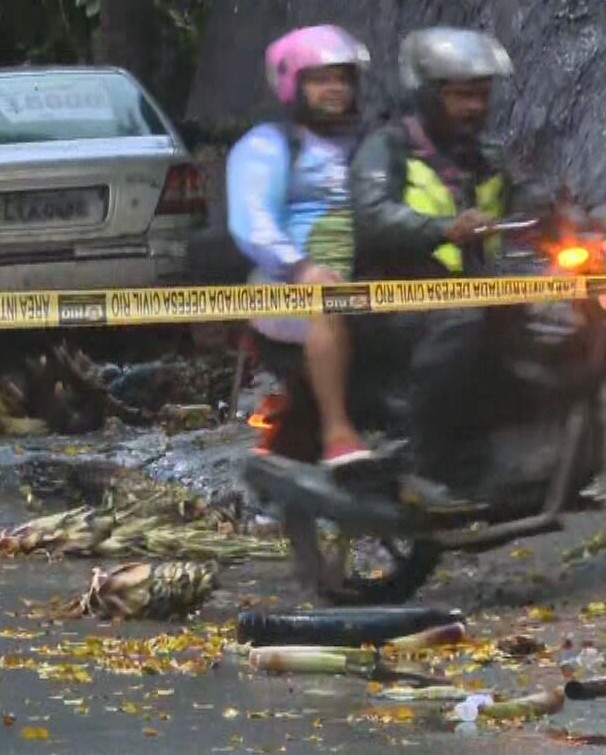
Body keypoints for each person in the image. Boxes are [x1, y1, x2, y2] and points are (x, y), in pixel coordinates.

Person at [226, 25, 375, 468]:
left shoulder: (369, 144)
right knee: (326, 303)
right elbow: (252, 221)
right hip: (287, 288)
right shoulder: (267, 146)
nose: (335, 89)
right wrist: (301, 268)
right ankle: (338, 433)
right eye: (320, 78)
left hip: (363, 279)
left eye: (342, 78)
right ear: (294, 85)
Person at [350, 28, 534, 278]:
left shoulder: (486, 158)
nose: (476, 106)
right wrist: (445, 229)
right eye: (462, 95)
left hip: (480, 297)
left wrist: (566, 217)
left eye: (483, 95)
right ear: (429, 96)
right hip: (402, 302)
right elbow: (371, 216)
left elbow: (530, 200)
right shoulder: (387, 147)